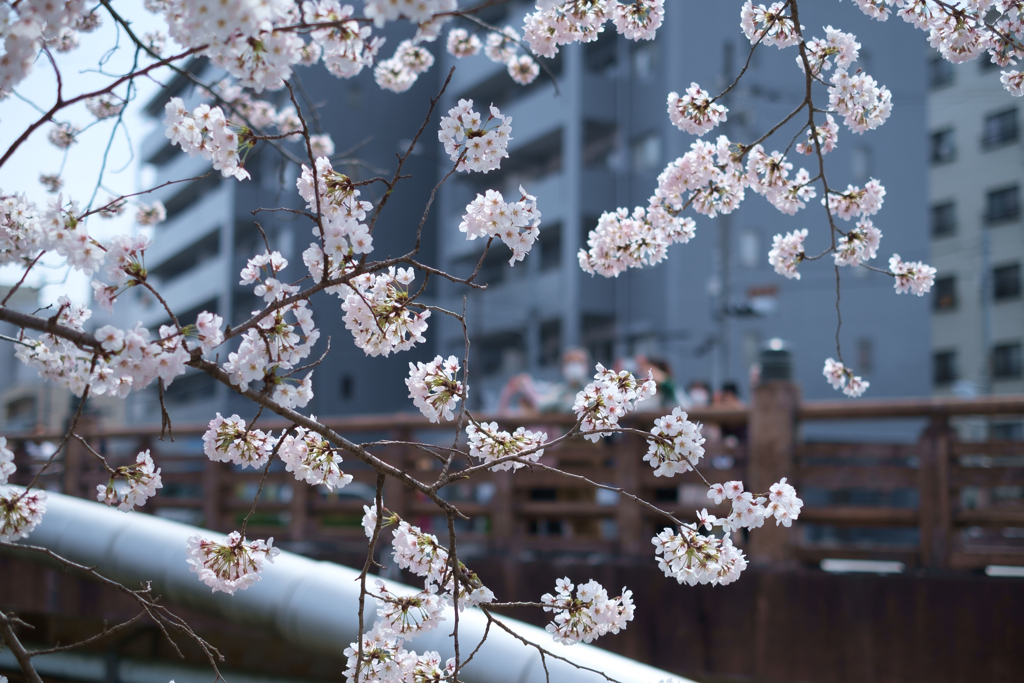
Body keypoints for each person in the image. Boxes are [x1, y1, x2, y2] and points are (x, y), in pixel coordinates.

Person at [497, 347, 591, 415]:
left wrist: (558, 405)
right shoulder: (559, 390)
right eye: (569, 362)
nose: (574, 366)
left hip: (591, 442)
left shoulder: (593, 388)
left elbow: (574, 408)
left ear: (587, 366)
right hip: (566, 441)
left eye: (579, 362)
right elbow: (543, 406)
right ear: (562, 368)